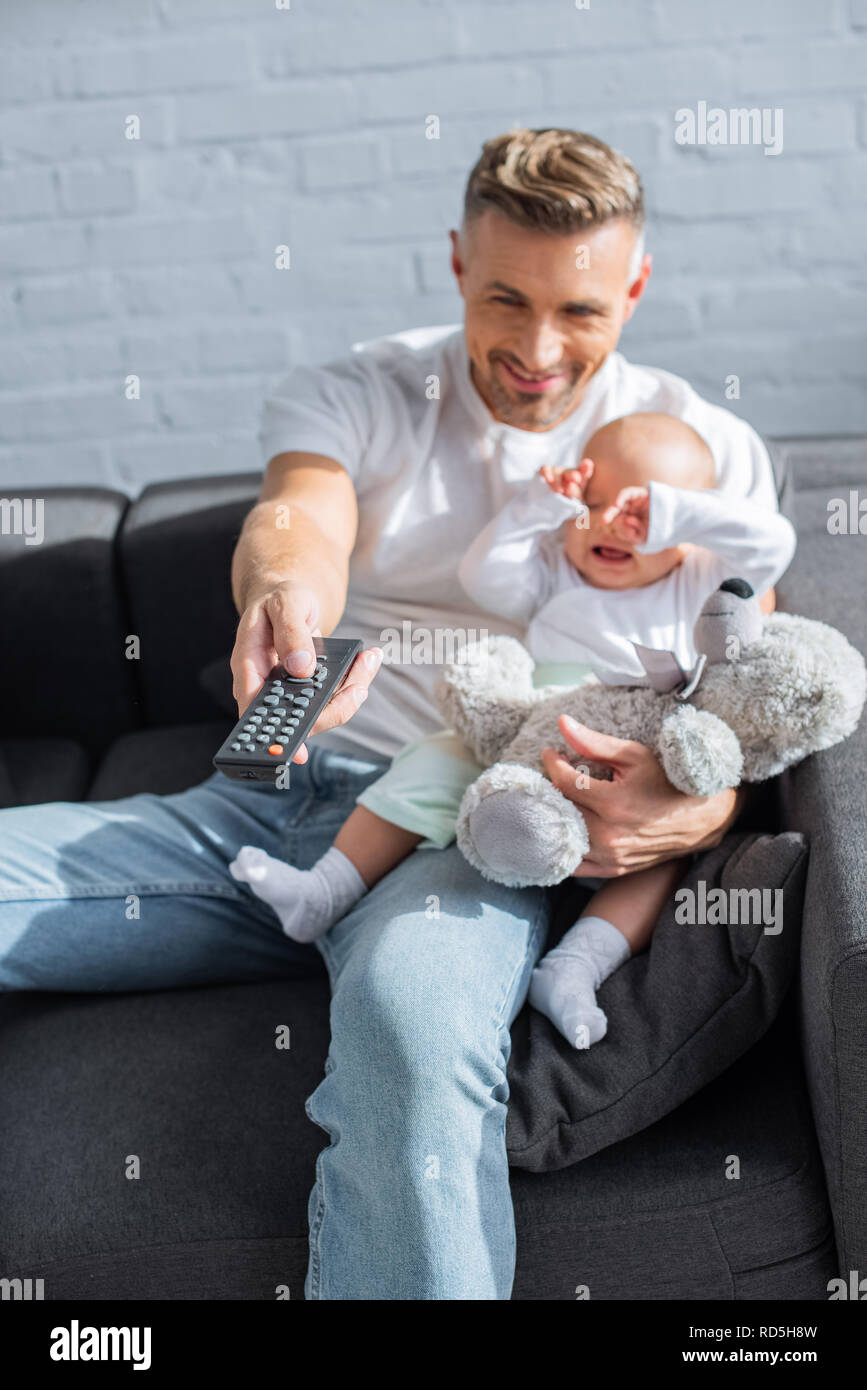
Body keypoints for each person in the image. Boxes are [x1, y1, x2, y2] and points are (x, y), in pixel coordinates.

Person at [0, 128, 782, 1300]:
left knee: (412, 1038)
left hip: (468, 834)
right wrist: (280, 599)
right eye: (506, 297)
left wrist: (705, 801)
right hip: (291, 795)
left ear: (635, 287)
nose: (535, 349)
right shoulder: (363, 389)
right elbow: (297, 521)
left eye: (580, 311)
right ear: (458, 262)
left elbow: (750, 671)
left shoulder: (703, 451)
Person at [228, 411, 796, 1050]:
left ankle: (574, 966)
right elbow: (484, 574)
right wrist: (538, 507)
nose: (611, 522)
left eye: (638, 514)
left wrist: (672, 514)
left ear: (688, 522)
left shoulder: (700, 575)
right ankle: (325, 889)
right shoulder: (557, 567)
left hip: (633, 758)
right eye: (595, 500)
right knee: (434, 759)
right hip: (531, 728)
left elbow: (773, 546)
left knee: (658, 857)